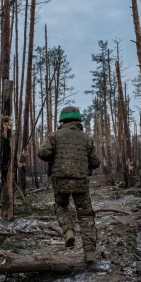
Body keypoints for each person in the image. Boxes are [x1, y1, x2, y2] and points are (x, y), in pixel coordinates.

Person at [38, 106, 101, 263]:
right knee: (86, 215)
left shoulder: (55, 136)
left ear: (62, 120)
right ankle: (90, 253)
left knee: (61, 206)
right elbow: (95, 162)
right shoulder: (86, 138)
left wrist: (56, 155)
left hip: (60, 180)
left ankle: (69, 232)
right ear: (78, 119)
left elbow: (42, 153)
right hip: (80, 181)